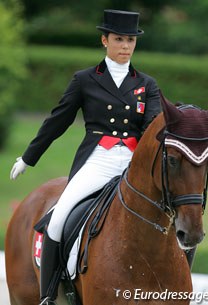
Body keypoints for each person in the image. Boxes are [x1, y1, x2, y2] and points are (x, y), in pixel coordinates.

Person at [10, 9, 161, 305]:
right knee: (56, 221)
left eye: (131, 40)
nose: (125, 45)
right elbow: (57, 121)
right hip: (97, 161)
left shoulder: (147, 84)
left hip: (132, 164)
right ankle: (48, 295)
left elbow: (153, 127)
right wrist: (29, 158)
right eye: (119, 39)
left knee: (173, 219)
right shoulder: (85, 80)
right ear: (105, 40)